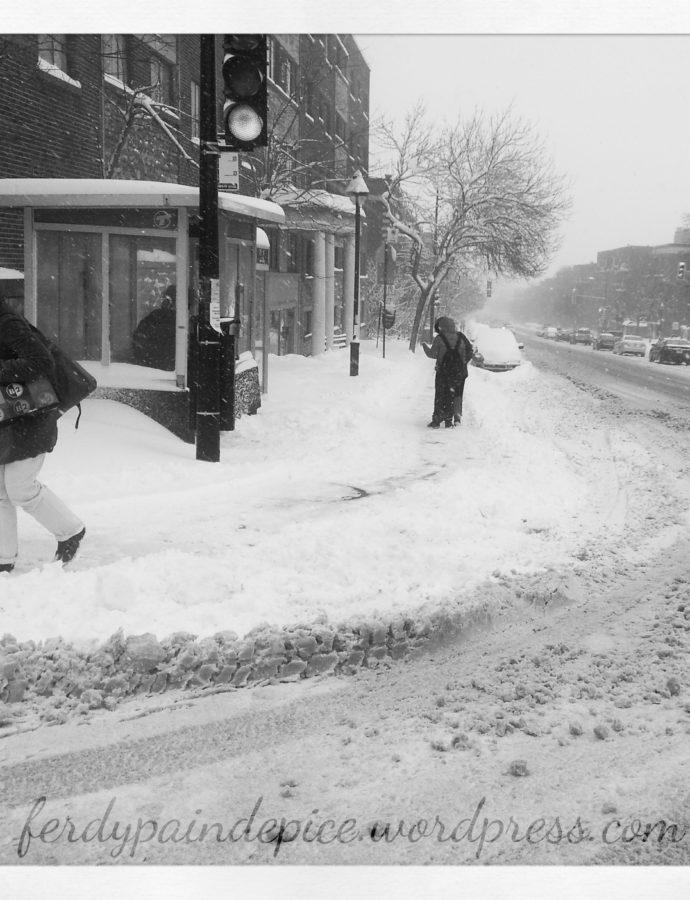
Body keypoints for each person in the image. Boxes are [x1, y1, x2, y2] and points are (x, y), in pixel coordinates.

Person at [0, 302, 85, 572]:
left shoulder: (6, 322)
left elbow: (40, 361)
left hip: (30, 418)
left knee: (19, 486)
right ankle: (3, 558)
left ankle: (70, 531)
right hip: (7, 417)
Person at [422, 316, 473, 428]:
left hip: (443, 372)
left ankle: (437, 420)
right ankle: (454, 419)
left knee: (441, 395)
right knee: (456, 394)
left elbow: (432, 354)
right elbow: (470, 351)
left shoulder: (440, 338)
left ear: (441, 327)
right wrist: (463, 362)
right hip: (459, 373)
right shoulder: (461, 337)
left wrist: (424, 346)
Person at [132, 285, 176, 370]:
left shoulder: (155, 316)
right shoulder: (157, 317)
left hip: (153, 365)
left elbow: (139, 339)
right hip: (157, 365)